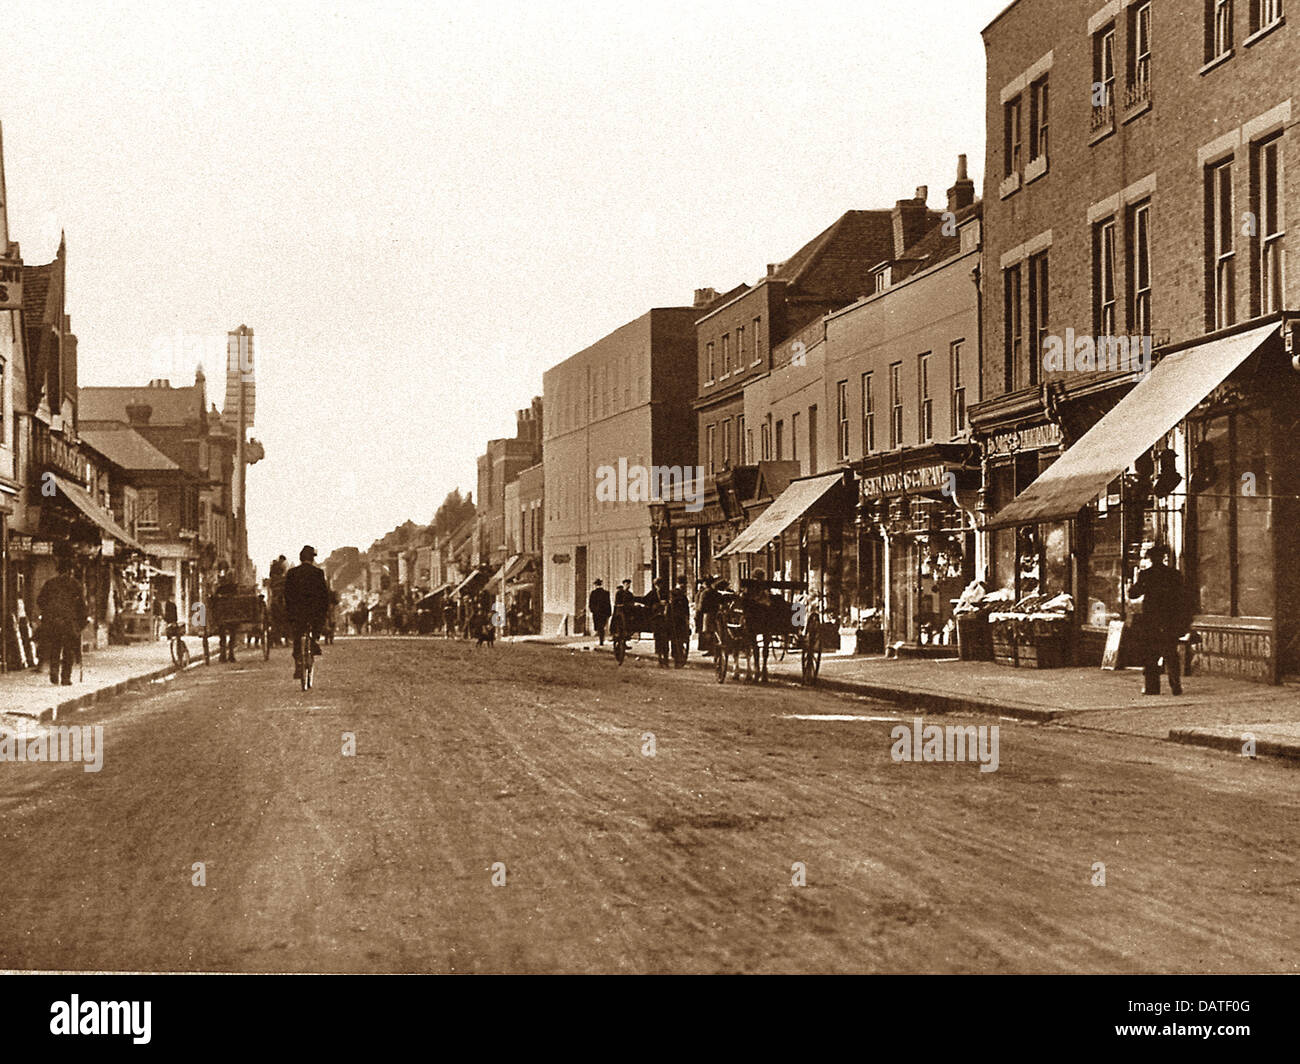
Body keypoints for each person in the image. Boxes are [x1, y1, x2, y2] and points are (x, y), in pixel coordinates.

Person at [1128, 544, 1191, 696]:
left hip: (1151, 620)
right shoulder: (1174, 574)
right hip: (1169, 619)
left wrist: (1134, 584)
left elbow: (1133, 594)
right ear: (1163, 557)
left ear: (1150, 558)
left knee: (1150, 654)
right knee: (1170, 653)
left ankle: (1152, 687)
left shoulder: (1146, 575)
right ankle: (1175, 685)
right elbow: (1182, 597)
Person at [284, 546, 331, 680]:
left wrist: (289, 610)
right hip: (313, 611)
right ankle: (314, 641)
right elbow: (324, 595)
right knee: (317, 625)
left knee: (297, 636)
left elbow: (287, 594)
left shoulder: (292, 572)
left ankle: (298, 663)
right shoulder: (318, 573)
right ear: (312, 559)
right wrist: (324, 610)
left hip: (297, 611)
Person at [37, 559, 86, 686]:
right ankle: (65, 677)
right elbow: (81, 606)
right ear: (71, 571)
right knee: (68, 650)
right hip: (69, 622)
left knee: (55, 647)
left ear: (58, 570)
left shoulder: (50, 583)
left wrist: (48, 613)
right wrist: (81, 623)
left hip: (53, 621)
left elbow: (40, 600)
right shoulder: (75, 584)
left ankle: (54, 672)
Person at [642, 577, 672, 666]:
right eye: (657, 585)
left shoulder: (666, 593)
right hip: (656, 619)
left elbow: (670, 602)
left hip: (664, 619)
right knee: (659, 639)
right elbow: (645, 600)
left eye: (659, 585)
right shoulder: (652, 593)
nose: (658, 587)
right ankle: (660, 659)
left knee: (664, 640)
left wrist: (665, 603)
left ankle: (665, 659)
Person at [214, 567, 240, 663]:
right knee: (223, 637)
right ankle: (224, 654)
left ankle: (230, 654)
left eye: (232, 576)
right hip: (224, 615)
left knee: (231, 636)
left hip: (231, 614)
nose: (230, 578)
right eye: (230, 576)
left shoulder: (233, 587)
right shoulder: (222, 587)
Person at [669, 576, 691, 667]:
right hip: (674, 619)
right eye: (682, 584)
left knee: (680, 639)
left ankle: (679, 657)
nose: (683, 586)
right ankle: (676, 657)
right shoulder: (673, 593)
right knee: (675, 639)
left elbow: (686, 608)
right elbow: (671, 606)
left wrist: (687, 619)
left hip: (681, 620)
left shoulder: (682, 595)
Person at [588, 579, 612, 645]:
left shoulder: (593, 593)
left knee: (599, 627)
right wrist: (609, 613)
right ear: (601, 584)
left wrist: (593, 610)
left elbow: (590, 604)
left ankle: (601, 639)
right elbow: (608, 603)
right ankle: (602, 639)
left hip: (596, 613)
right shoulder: (606, 593)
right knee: (602, 626)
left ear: (595, 585)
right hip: (604, 613)